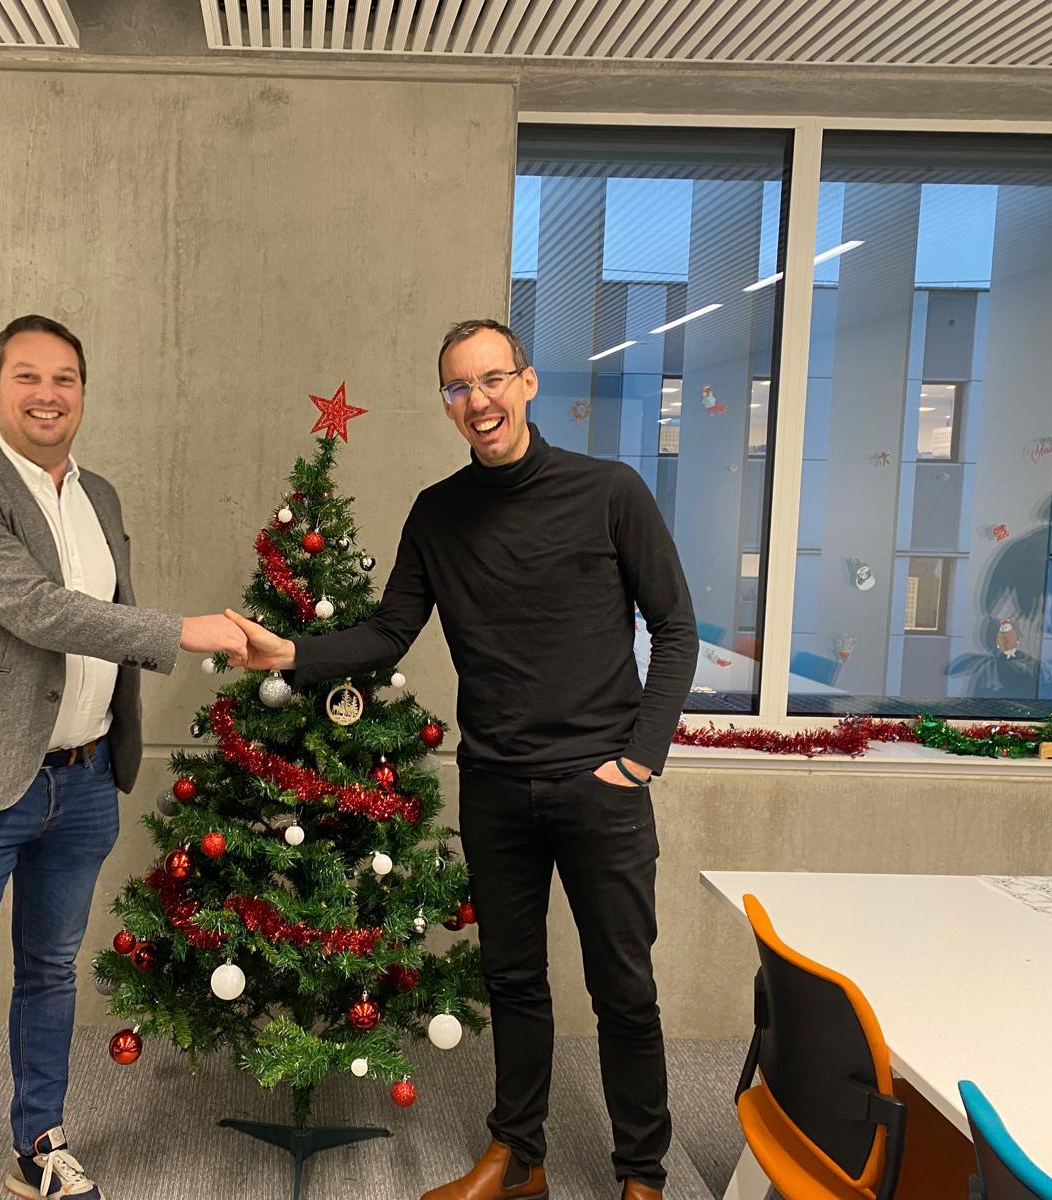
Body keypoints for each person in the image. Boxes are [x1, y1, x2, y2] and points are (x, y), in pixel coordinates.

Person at [225, 318, 697, 1200]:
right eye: (456, 388)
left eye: (491, 380)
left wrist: (639, 760)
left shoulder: (610, 492)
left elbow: (675, 627)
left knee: (623, 988)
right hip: (495, 787)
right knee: (514, 981)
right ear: (447, 405)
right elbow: (388, 630)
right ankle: (519, 1157)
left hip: (601, 788)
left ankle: (643, 1176)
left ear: (526, 383)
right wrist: (288, 654)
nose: (476, 401)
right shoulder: (438, 512)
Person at [0, 314, 246, 1200]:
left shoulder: (103, 497)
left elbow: (95, 621)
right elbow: (41, 610)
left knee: (50, 973)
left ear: (82, 392)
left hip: (84, 780)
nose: (47, 394)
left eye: (65, 379)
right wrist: (185, 631)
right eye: (27, 377)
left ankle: (37, 1145)